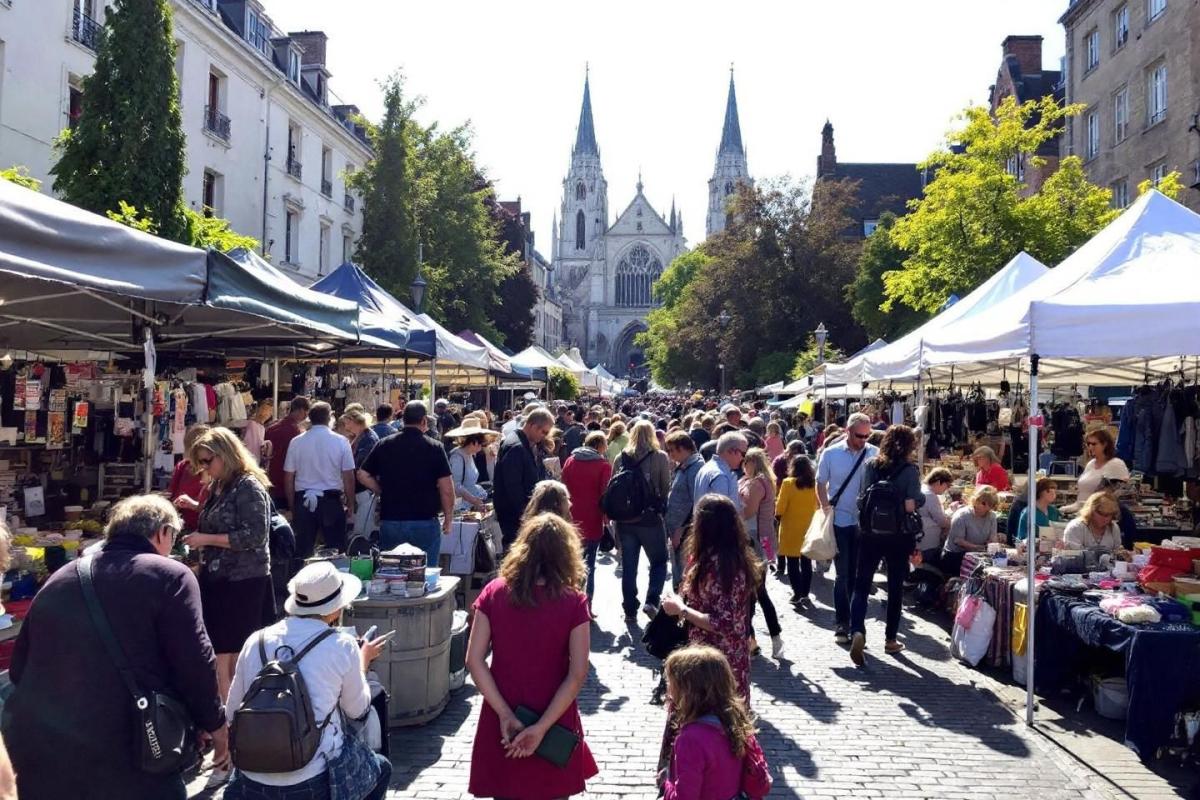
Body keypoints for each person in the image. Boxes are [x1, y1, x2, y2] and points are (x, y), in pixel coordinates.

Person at [4, 495, 229, 799]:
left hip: (49, 755)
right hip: (134, 753)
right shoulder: (171, 576)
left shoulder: (60, 578)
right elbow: (195, 662)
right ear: (163, 533)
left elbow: (20, 668)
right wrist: (215, 724)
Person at [223, 562, 393, 800]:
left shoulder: (256, 641)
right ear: (334, 609)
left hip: (252, 777)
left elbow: (232, 713)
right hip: (312, 778)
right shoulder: (341, 646)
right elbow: (358, 711)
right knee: (382, 768)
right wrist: (363, 663)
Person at [466, 513, 598, 799]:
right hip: (554, 716)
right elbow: (577, 675)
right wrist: (541, 728)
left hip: (503, 713)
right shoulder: (574, 602)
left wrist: (504, 713)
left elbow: (474, 661)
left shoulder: (493, 593)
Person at [183, 427, 274, 709]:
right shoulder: (217, 487)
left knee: (232, 654)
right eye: (201, 462)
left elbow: (255, 535)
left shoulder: (247, 486)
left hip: (243, 581)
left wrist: (206, 539)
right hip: (219, 579)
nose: (204, 468)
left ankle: (234, 720)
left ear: (225, 455)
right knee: (223, 653)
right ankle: (230, 719)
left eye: (208, 461)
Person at [661, 494, 757, 703]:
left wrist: (681, 609)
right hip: (710, 660)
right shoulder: (715, 558)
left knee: (708, 728)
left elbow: (723, 622)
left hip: (716, 668)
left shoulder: (724, 568)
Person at [848, 424, 925, 664]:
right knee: (894, 588)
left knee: (861, 585)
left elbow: (861, 500)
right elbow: (916, 500)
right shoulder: (910, 470)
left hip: (870, 533)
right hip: (899, 535)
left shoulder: (871, 465)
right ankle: (891, 639)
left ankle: (857, 629)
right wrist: (909, 502)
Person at [357, 400, 454, 560]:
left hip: (391, 519)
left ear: (403, 420)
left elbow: (362, 474)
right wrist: (448, 520)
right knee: (425, 573)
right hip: (424, 520)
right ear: (424, 421)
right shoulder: (435, 448)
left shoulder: (384, 444)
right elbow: (447, 488)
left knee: (393, 572)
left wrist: (380, 490)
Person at [659, 645, 759, 800]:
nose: (668, 691)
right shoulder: (735, 722)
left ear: (687, 691)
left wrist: (666, 784)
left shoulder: (691, 739)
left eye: (671, 684)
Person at [815, 412, 878, 644]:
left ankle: (855, 622)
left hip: (864, 523)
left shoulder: (873, 453)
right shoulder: (831, 454)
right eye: (859, 435)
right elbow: (820, 482)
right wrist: (825, 508)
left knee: (858, 575)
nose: (863, 440)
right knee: (843, 574)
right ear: (847, 431)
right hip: (840, 520)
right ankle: (842, 622)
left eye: (866, 435)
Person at [613, 420, 672, 622]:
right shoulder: (660, 457)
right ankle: (651, 600)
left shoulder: (621, 459)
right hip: (650, 519)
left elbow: (614, 490)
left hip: (626, 520)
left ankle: (629, 609)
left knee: (629, 566)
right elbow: (666, 488)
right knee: (659, 561)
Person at [284, 402, 355, 557]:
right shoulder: (341, 442)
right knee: (336, 552)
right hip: (331, 502)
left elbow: (289, 478)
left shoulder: (296, 442)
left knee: (303, 553)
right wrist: (350, 503)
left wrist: (293, 505)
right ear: (329, 418)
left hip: (304, 501)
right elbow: (348, 476)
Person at [739, 447, 783, 659]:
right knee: (756, 593)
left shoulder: (756, 483)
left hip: (753, 539)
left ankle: (760, 639)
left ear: (751, 462)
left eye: (744, 462)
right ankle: (757, 640)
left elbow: (748, 511)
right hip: (763, 539)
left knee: (754, 592)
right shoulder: (764, 481)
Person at [561, 431, 613, 604]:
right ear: (599, 445)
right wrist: (607, 519)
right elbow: (605, 495)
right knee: (589, 565)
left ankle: (566, 603)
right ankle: (586, 605)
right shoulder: (603, 465)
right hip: (592, 521)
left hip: (570, 519)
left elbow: (563, 488)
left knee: (568, 564)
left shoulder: (570, 460)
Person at [493, 407, 554, 548]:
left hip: (518, 515)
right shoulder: (516, 447)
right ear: (532, 426)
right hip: (515, 517)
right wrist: (526, 516)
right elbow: (513, 488)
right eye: (543, 432)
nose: (544, 436)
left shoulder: (521, 443)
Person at [775, 454, 818, 606]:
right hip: (809, 528)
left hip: (790, 528)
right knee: (807, 562)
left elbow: (780, 507)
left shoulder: (788, 483)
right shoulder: (815, 484)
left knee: (792, 562)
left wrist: (777, 516)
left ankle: (797, 593)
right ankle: (806, 593)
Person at [663, 431, 704, 589]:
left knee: (684, 573)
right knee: (678, 570)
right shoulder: (685, 465)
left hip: (684, 531)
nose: (670, 454)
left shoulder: (695, 468)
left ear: (683, 449)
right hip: (676, 529)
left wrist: (683, 528)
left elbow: (697, 502)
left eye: (672, 450)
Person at [942, 485, 1001, 576]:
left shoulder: (992, 516)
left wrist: (992, 545)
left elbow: (993, 537)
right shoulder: (962, 515)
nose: (987, 508)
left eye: (990, 505)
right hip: (956, 556)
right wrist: (977, 547)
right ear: (976, 500)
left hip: (978, 554)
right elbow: (958, 541)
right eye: (984, 504)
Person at [264, 396, 310, 510]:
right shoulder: (295, 432)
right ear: (300, 410)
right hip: (287, 483)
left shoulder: (271, 428)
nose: (306, 416)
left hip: (271, 479)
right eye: (306, 413)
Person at [341, 409, 380, 540]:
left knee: (362, 531)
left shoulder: (367, 439)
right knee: (361, 528)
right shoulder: (362, 436)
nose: (345, 427)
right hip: (361, 489)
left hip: (365, 488)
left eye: (346, 423)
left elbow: (361, 467)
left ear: (353, 421)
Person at [446, 418, 498, 512]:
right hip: (460, 508)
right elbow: (455, 486)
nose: (482, 446)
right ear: (473, 441)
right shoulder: (457, 457)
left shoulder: (470, 455)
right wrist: (474, 500)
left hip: (470, 506)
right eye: (481, 443)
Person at [169, 422, 211, 530]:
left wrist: (193, 504)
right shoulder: (182, 466)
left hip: (207, 531)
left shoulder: (217, 470)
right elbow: (172, 495)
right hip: (184, 527)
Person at [1075, 428, 1130, 508]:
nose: (1090, 447)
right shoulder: (1090, 464)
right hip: (1080, 508)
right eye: (1088, 444)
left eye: (1094, 444)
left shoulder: (1116, 464)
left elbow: (1122, 494)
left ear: (1105, 444)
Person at [694, 431, 747, 506]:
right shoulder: (720, 476)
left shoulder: (706, 467)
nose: (743, 458)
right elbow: (722, 512)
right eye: (743, 454)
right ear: (731, 451)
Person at [917, 468, 954, 565]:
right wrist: (951, 520)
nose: (947, 488)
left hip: (920, 538)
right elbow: (941, 521)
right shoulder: (930, 496)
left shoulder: (922, 489)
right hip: (928, 542)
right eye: (947, 485)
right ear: (938, 482)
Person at [1014, 477, 1061, 543]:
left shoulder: (1053, 511)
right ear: (1040, 492)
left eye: (1055, 492)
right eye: (1048, 491)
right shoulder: (1029, 512)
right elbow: (1022, 538)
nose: (1053, 494)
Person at [241, 399, 274, 466]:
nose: (266, 413)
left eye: (269, 411)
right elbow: (251, 447)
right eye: (264, 409)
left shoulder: (261, 427)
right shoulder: (252, 425)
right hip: (249, 463)